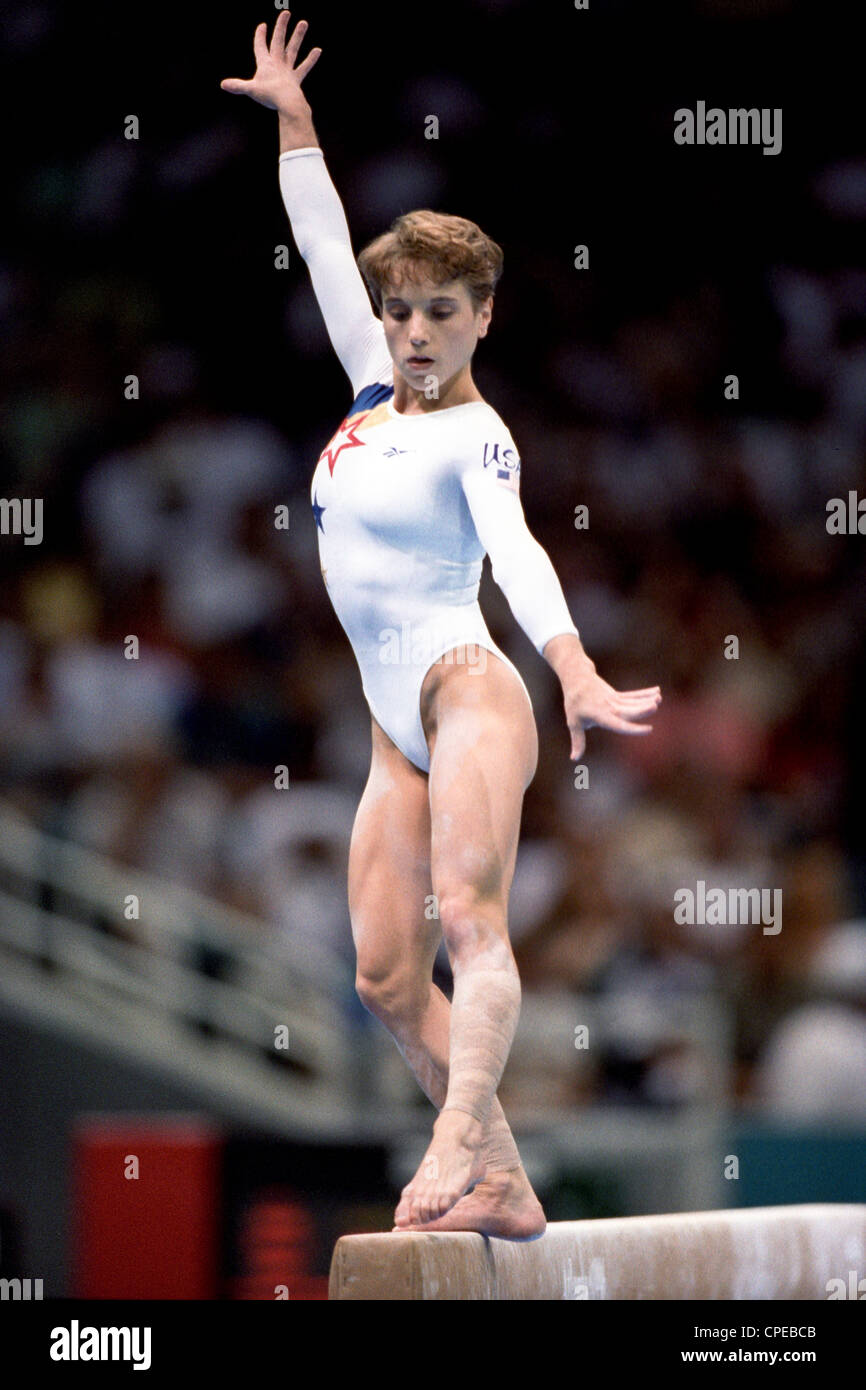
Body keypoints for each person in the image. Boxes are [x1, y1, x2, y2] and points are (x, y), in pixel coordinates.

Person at [221, 12, 661, 1238]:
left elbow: (515, 553)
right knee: (378, 976)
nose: (411, 333)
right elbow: (318, 252)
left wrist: (570, 664)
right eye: (400, 310)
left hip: (467, 688)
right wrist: (297, 127)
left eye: (438, 314)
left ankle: (458, 1137)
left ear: (482, 319)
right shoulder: (371, 387)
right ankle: (508, 1176)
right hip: (386, 722)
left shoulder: (478, 435)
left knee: (471, 923)